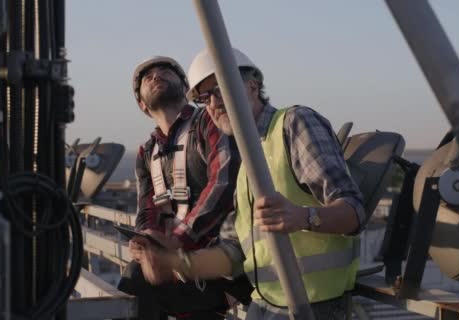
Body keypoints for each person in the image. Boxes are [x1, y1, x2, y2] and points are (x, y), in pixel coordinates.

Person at [130, 48, 367, 319]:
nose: (214, 104)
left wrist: (304, 216)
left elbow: (355, 211)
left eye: (220, 90)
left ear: (252, 86)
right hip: (266, 301)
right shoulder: (249, 156)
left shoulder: (294, 123)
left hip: (314, 304)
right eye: (205, 98)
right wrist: (177, 263)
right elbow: (236, 251)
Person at [118, 55, 252, 320]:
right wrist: (144, 241)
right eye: (147, 77)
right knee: (137, 276)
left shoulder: (210, 122)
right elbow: (147, 208)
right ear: (143, 105)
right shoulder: (147, 152)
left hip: (224, 261)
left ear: (185, 88)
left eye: (164, 72)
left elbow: (224, 183)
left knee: (138, 284)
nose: (155, 76)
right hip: (177, 263)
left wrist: (177, 240)